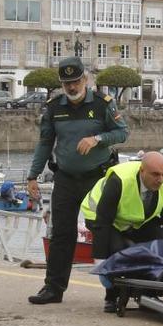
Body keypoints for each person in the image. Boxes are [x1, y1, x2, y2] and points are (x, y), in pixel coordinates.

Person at [27, 57, 129, 305]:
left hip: (97, 177)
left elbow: (122, 132)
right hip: (66, 178)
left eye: (75, 81)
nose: (71, 87)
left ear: (85, 79)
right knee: (61, 233)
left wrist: (97, 139)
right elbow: (44, 143)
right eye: (66, 83)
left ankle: (112, 291)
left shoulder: (103, 103)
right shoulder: (53, 107)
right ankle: (53, 289)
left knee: (104, 233)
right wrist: (33, 175)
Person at [81, 152, 163, 312]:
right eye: (155, 174)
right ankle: (112, 296)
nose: (160, 179)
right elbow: (103, 221)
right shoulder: (120, 180)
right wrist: (100, 260)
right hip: (101, 217)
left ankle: (148, 293)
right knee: (118, 250)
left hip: (135, 218)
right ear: (142, 171)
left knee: (162, 244)